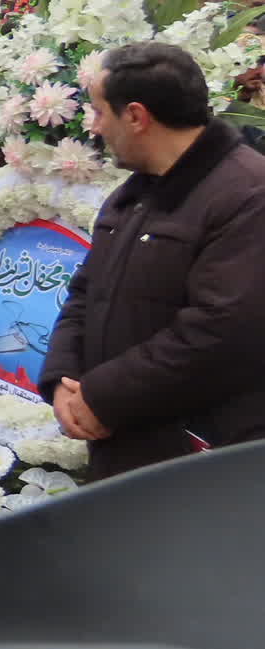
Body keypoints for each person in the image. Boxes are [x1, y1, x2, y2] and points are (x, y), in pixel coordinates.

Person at [40, 42, 265, 478]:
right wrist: (63, 378)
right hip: (124, 444)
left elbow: (221, 330)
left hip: (195, 462)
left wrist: (102, 397)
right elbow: (85, 293)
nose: (95, 127)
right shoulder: (133, 194)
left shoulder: (247, 194)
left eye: (101, 112)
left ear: (137, 116)